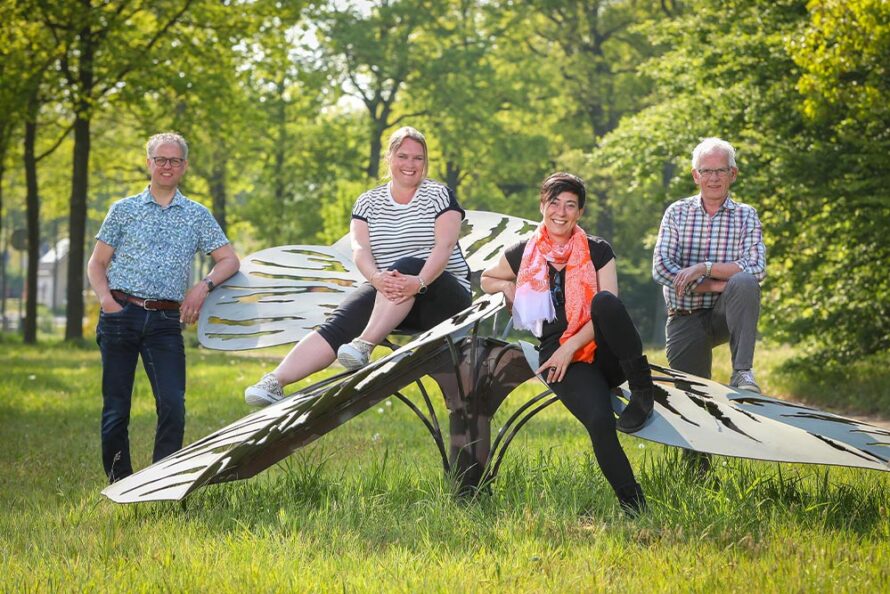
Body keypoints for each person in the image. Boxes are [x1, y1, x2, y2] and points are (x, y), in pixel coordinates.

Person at [245, 126, 472, 406]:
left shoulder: (438, 195)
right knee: (342, 320)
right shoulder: (368, 202)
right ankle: (274, 381)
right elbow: (361, 249)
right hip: (392, 296)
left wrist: (419, 281)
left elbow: (444, 247)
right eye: (403, 156)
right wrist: (376, 278)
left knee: (407, 265)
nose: (410, 165)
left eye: (418, 158)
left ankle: (364, 344)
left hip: (443, 297)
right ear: (389, 158)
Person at [480, 172, 658, 515]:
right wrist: (507, 288)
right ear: (542, 206)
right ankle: (636, 509)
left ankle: (642, 389)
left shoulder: (598, 250)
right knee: (599, 421)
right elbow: (487, 277)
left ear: (579, 213)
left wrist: (569, 346)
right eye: (554, 202)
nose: (561, 211)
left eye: (570, 205)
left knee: (604, 303)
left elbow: (609, 314)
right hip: (561, 358)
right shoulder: (523, 253)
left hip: (603, 349)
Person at [88, 132, 239, 483]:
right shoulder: (123, 210)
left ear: (184, 166)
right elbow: (96, 264)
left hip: (166, 321)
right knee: (116, 409)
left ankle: (160, 481)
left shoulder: (197, 215)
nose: (167, 166)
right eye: (160, 159)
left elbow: (229, 260)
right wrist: (108, 304)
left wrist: (202, 287)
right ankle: (120, 483)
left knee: (173, 405)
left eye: (174, 160)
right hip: (120, 315)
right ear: (149, 163)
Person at [652, 137, 766, 392]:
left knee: (745, 282)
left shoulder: (746, 215)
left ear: (732, 174)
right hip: (685, 316)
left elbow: (757, 268)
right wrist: (716, 285)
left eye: (720, 170)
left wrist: (703, 268)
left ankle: (743, 372)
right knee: (693, 395)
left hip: (726, 314)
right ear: (696, 175)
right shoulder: (676, 212)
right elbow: (661, 269)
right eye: (706, 171)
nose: (713, 178)